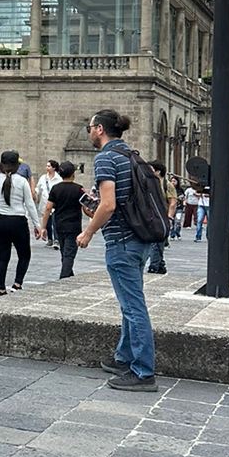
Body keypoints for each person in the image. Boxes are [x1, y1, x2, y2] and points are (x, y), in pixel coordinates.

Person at [79, 108, 157, 392]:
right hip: (139, 239)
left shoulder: (106, 158)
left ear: (99, 129)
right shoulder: (132, 155)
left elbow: (109, 204)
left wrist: (88, 232)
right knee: (129, 303)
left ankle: (143, 372)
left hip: (121, 242)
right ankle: (124, 358)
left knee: (133, 307)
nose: (88, 131)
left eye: (90, 126)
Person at [0, 151, 40, 294]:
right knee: (24, 254)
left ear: (1, 164)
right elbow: (29, 204)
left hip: (0, 221)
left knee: (3, 256)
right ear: (17, 165)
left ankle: (1, 288)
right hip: (18, 221)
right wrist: (37, 225)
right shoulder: (22, 181)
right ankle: (17, 283)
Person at [40, 161, 83, 279]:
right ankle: (63, 278)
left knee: (65, 253)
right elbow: (87, 207)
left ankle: (69, 277)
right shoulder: (79, 189)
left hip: (59, 225)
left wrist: (43, 227)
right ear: (73, 174)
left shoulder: (55, 188)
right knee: (69, 254)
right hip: (74, 226)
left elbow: (48, 208)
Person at [144, 160, 175, 274]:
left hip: (162, 216)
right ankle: (160, 264)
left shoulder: (167, 185)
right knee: (156, 241)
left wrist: (169, 217)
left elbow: (172, 202)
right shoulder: (147, 182)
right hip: (150, 215)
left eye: (151, 169)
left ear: (158, 171)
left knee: (157, 241)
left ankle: (154, 265)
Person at [35, 160, 61, 246]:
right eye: (47, 166)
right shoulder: (43, 178)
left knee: (55, 221)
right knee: (48, 222)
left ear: (54, 168)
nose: (47, 168)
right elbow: (38, 188)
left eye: (49, 166)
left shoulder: (59, 179)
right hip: (44, 203)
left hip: (55, 204)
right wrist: (35, 194)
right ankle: (50, 239)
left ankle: (56, 239)